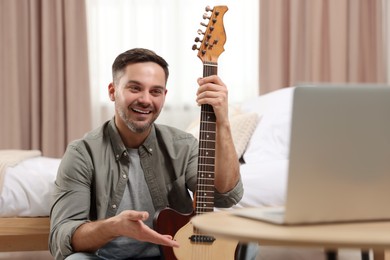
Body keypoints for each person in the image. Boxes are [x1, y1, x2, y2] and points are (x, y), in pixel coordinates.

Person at [49, 48, 243, 260]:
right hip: (107, 258)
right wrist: (113, 227)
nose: (145, 100)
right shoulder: (82, 154)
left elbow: (225, 197)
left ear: (164, 96)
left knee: (247, 246)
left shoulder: (183, 146)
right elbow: (61, 239)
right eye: (135, 88)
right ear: (113, 91)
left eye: (155, 91)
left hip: (172, 256)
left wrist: (222, 121)